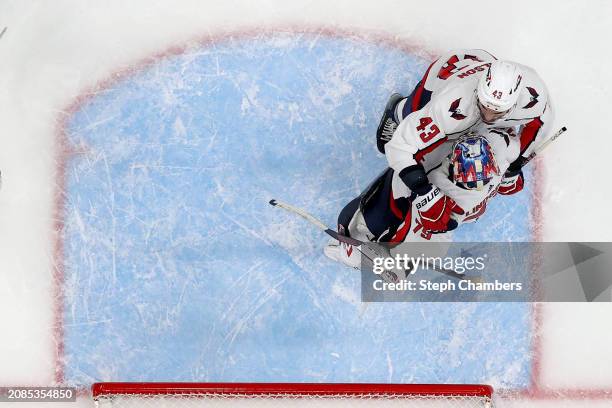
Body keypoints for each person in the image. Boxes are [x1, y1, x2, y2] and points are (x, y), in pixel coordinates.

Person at [324, 128, 522, 269]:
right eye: (468, 183)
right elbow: (433, 231)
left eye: (481, 181)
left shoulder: (502, 143)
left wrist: (514, 172)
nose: (475, 188)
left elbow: (519, 149)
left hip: (449, 211)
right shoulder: (436, 180)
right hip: (426, 206)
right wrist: (395, 262)